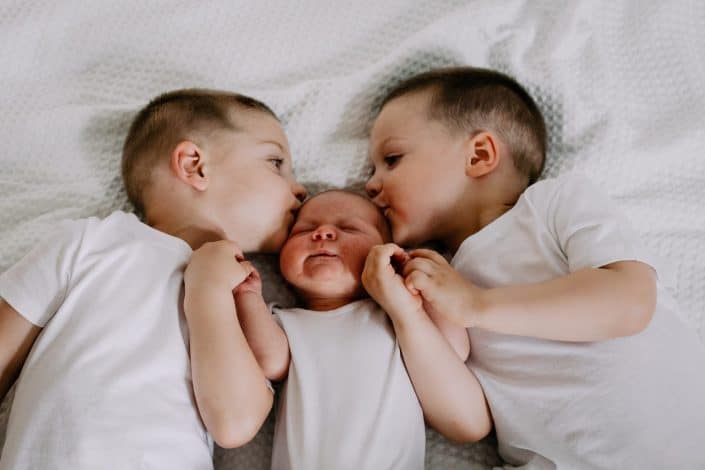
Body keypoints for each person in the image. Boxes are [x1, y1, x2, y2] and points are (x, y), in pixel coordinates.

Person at [365, 66, 705, 469]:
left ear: (479, 155)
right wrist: (408, 317)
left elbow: (629, 304)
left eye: (392, 159)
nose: (370, 184)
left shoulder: (554, 204)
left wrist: (477, 305)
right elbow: (467, 422)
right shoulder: (435, 279)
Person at [0, 89, 306, 469]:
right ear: (195, 165)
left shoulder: (244, 293)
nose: (300, 189)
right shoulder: (91, 242)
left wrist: (207, 291)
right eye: (275, 162)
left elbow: (234, 423)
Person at [184, 189, 487, 470]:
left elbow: (454, 350)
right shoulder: (286, 320)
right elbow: (270, 362)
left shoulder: (395, 315)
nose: (322, 233)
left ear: (388, 254)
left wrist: (420, 277)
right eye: (303, 230)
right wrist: (248, 297)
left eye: (350, 228)